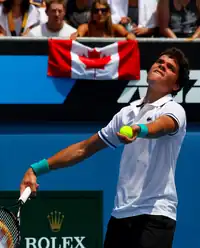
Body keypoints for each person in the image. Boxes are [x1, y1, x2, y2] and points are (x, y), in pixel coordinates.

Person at [20, 47, 189, 248]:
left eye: (170, 67)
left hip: (155, 216)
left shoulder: (173, 109)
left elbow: (163, 126)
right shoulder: (127, 113)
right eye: (160, 61)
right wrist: (36, 168)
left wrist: (140, 129)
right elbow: (84, 148)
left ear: (176, 85)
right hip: (120, 217)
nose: (162, 65)